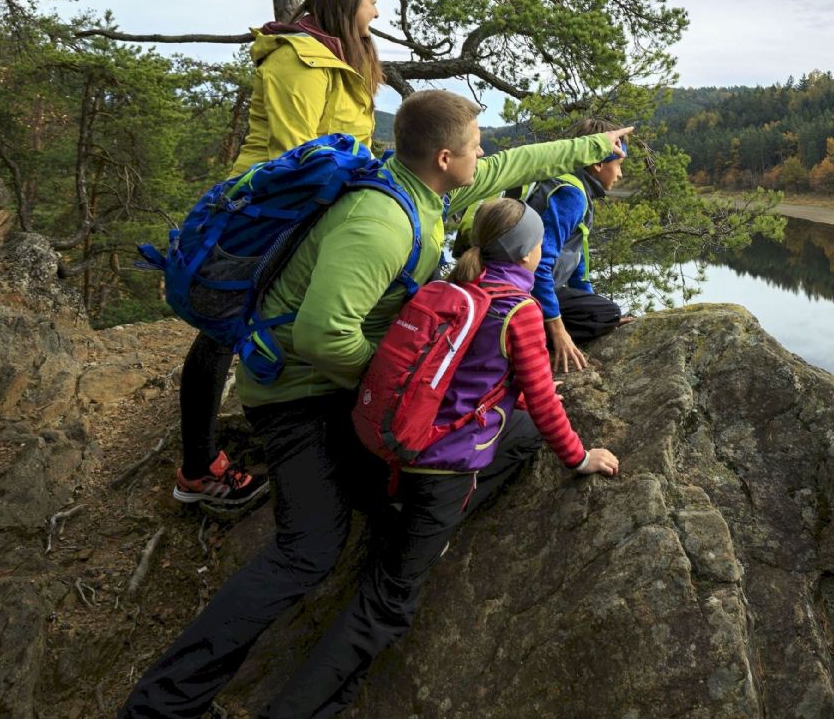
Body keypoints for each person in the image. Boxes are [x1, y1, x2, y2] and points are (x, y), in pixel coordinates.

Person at [120, 89, 632, 718]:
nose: (485, 154)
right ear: (446, 157)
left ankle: (405, 516)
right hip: (296, 394)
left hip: (330, 388)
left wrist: (594, 146)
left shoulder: (428, 193)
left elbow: (515, 165)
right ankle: (159, 707)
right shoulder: (382, 222)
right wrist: (414, 384)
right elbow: (319, 333)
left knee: (502, 442)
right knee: (308, 549)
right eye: (475, 145)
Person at [259, 198, 618, 716]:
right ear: (527, 254)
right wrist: (580, 458)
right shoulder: (520, 311)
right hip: (441, 470)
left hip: (396, 446)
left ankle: (427, 517)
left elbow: (483, 379)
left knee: (519, 434)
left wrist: (513, 398)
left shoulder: (458, 288)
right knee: (386, 605)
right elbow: (543, 401)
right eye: (540, 241)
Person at [172, 0, 384, 510]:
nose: (377, 10)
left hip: (298, 204)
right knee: (222, 329)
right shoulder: (300, 61)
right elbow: (298, 157)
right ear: (344, 3)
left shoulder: (334, 57)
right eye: (371, 0)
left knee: (254, 321)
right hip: (266, 210)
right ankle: (197, 470)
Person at [530, 117, 631, 373]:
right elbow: (541, 262)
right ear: (598, 163)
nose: (620, 174)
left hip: (531, 293)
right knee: (606, 312)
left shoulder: (571, 186)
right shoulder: (572, 195)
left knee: (606, 312)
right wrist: (558, 329)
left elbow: (577, 263)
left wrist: (597, 310)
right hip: (525, 294)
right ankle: (530, 337)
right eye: (618, 165)